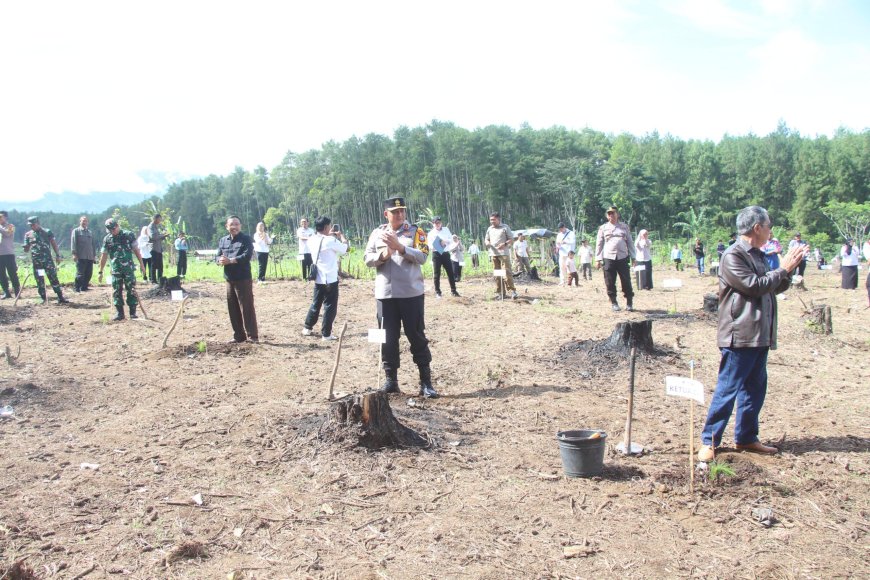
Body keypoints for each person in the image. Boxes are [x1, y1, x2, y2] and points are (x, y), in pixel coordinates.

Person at [698, 206, 808, 462]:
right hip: (740, 334)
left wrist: (786, 271)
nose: (770, 231)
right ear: (757, 228)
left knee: (754, 390)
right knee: (728, 389)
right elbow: (754, 286)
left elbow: (773, 285)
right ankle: (709, 440)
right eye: (768, 226)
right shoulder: (732, 255)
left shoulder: (758, 254)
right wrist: (783, 269)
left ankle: (746, 437)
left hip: (760, 334)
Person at [364, 196, 437, 398]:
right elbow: (367, 258)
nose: (399, 215)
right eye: (395, 212)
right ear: (385, 214)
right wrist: (384, 255)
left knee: (416, 336)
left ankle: (425, 382)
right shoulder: (377, 233)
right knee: (387, 338)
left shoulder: (415, 232)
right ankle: (391, 381)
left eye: (402, 211)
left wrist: (401, 248)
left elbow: (423, 257)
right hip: (385, 295)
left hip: (411, 293)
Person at [302, 217, 348, 341]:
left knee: (315, 304)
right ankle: (326, 334)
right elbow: (345, 249)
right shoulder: (330, 240)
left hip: (318, 278)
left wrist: (330, 235)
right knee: (330, 306)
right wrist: (341, 236)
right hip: (330, 279)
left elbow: (323, 241)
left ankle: (307, 327)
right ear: (327, 227)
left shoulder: (311, 239)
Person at [217, 216, 258, 343]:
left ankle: (252, 336)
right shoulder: (223, 240)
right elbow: (217, 255)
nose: (234, 227)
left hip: (243, 278)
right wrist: (219, 260)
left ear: (240, 226)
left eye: (237, 224)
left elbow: (247, 255)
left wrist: (231, 260)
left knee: (246, 307)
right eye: (231, 224)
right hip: (229, 279)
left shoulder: (246, 239)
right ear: (227, 226)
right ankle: (239, 336)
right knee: (233, 308)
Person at [98, 219, 147, 320]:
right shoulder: (107, 239)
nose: (113, 231)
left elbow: (136, 250)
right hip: (116, 269)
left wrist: (142, 264)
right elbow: (104, 256)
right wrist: (100, 271)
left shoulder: (128, 235)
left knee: (131, 290)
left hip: (128, 268)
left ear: (117, 225)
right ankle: (120, 313)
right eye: (110, 230)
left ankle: (133, 313)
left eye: (114, 229)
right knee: (117, 291)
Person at [595, 206, 635, 311]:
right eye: (609, 214)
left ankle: (629, 303)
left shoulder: (624, 227)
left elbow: (630, 242)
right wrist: (598, 259)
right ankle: (614, 302)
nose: (611, 215)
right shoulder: (603, 228)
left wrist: (634, 257)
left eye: (613, 213)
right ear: (607, 216)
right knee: (610, 281)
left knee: (626, 280)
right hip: (609, 257)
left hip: (622, 257)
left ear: (617, 214)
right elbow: (599, 244)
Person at [22, 217, 68, 304]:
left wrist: (58, 255)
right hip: (37, 263)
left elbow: (54, 244)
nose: (32, 226)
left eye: (33, 224)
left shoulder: (47, 232)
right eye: (30, 225)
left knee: (53, 278)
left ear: (38, 223)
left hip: (48, 262)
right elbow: (26, 249)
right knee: (40, 279)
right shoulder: (28, 235)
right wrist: (26, 247)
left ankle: (60, 297)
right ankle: (43, 298)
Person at [484, 212, 517, 299]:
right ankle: (501, 293)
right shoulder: (489, 229)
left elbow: (511, 239)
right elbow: (486, 239)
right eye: (491, 220)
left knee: (506, 273)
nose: (492, 221)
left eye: (493, 220)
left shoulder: (505, 227)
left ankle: (512, 291)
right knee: (497, 274)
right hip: (494, 254)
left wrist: (505, 244)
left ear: (498, 219)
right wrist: (487, 242)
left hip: (503, 254)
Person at [427, 217, 459, 298]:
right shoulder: (431, 233)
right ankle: (438, 292)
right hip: (436, 254)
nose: (437, 224)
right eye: (435, 223)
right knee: (437, 274)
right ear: (433, 224)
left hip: (445, 253)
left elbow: (450, 240)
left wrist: (444, 242)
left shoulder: (446, 230)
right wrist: (439, 244)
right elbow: (430, 245)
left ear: (441, 223)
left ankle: (453, 291)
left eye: (439, 222)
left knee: (450, 273)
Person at [70, 215, 97, 292]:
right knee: (80, 274)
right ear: (80, 222)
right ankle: (77, 288)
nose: (84, 222)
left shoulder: (90, 232)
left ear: (87, 222)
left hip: (90, 256)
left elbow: (93, 245)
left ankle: (84, 287)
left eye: (86, 221)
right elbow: (73, 243)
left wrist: (94, 255)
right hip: (81, 256)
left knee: (89, 274)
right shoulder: (76, 231)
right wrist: (74, 254)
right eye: (83, 221)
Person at [0, 211, 20, 300]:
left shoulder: (11, 226)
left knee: (12, 273)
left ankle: (17, 292)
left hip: (8, 253)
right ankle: (6, 292)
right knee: (1, 274)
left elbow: (7, 233)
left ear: (6, 217)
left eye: (1, 217)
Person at [147, 214, 168, 283]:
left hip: (159, 249)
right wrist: (162, 235)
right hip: (154, 249)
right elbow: (153, 237)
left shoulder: (156, 227)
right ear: (155, 219)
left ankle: (160, 279)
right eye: (159, 219)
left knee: (160, 266)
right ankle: (153, 280)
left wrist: (163, 236)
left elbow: (158, 237)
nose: (160, 221)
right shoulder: (150, 227)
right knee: (153, 265)